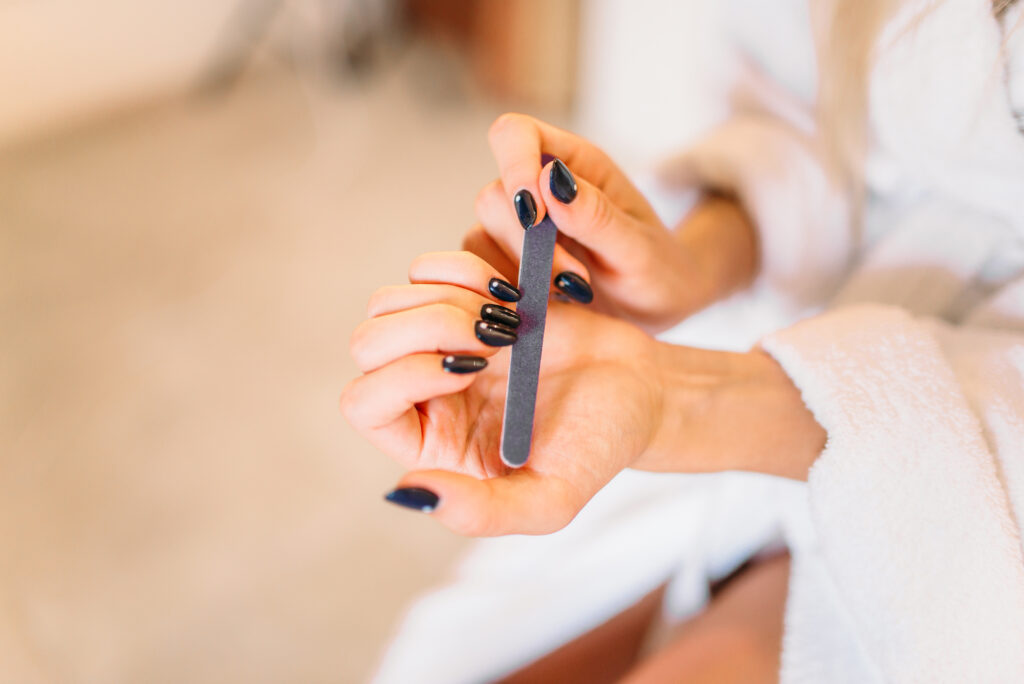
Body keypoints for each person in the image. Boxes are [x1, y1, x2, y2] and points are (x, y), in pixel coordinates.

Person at [343, 0, 1024, 681]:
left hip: (978, 500)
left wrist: (684, 403)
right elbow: (803, 110)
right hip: (789, 343)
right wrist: (688, 261)